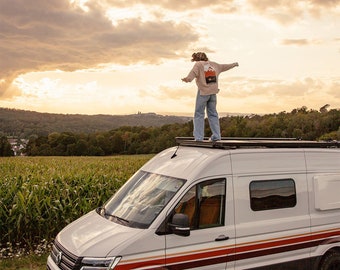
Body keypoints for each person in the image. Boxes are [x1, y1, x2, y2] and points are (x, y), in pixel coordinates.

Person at [182, 52, 238, 141]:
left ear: (197, 59)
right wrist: (234, 64)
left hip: (203, 92)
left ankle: (199, 137)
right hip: (213, 93)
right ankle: (217, 136)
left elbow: (192, 74)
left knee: (199, 114)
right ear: (206, 57)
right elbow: (225, 66)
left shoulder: (198, 64)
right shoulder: (215, 65)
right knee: (213, 114)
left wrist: (187, 79)